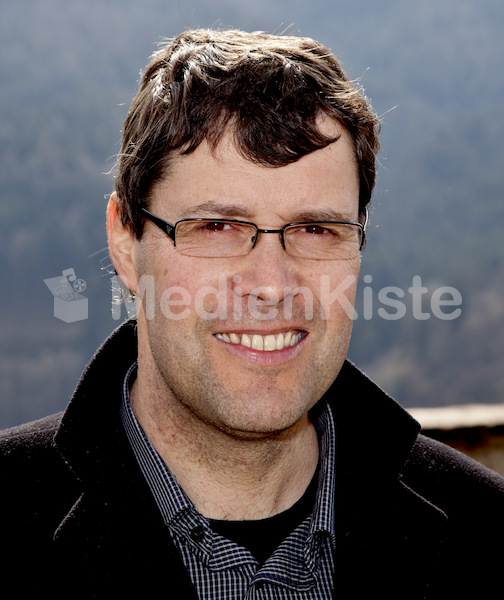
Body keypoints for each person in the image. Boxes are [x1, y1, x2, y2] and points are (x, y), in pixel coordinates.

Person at [1, 28, 503, 600]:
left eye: (316, 229)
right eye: (216, 227)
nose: (271, 285)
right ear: (124, 239)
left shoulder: (484, 533)